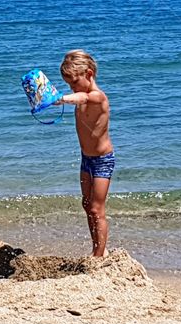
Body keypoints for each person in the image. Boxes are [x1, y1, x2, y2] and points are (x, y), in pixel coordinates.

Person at [55, 49, 114, 257]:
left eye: (73, 83)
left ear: (89, 74)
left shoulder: (97, 97)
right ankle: (99, 249)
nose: (71, 88)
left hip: (102, 161)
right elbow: (78, 96)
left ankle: (98, 256)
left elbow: (83, 97)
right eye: (68, 85)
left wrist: (61, 99)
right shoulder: (81, 96)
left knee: (97, 208)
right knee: (87, 204)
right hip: (86, 159)